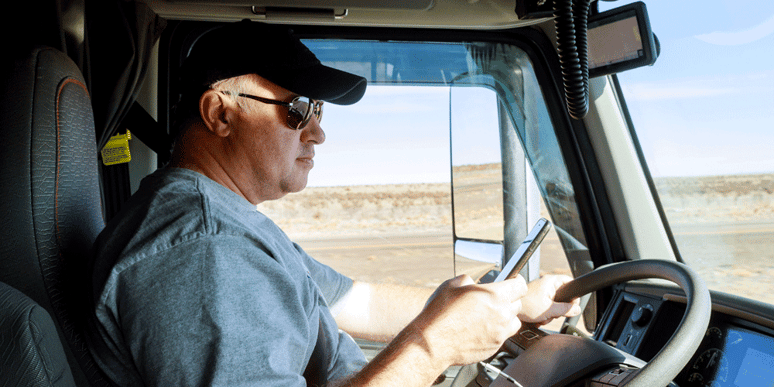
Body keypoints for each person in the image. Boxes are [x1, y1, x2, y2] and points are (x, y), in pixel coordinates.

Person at [87, 20, 581, 386]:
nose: (318, 132)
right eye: (298, 109)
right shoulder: (204, 253)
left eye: (317, 110)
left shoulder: (229, 223)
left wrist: (513, 303)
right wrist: (435, 345)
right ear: (220, 113)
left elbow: (357, 301)